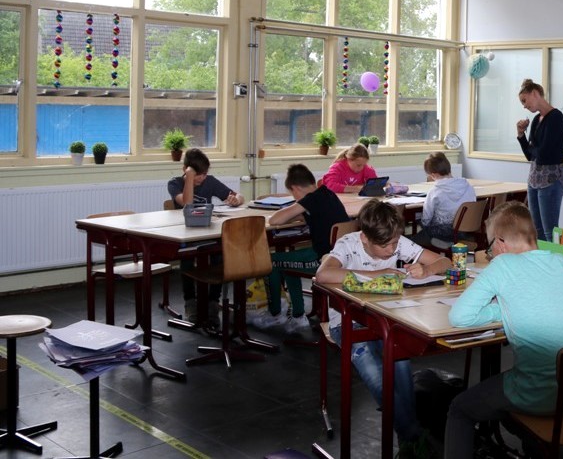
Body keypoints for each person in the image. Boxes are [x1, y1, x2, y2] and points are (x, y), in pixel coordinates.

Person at [444, 201, 563, 459]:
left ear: (500, 243)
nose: (491, 253)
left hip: (536, 392)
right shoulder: (561, 262)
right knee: (507, 406)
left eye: (490, 247)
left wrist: (500, 309)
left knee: (460, 409)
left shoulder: (503, 266)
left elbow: (459, 317)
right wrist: (509, 307)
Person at [316, 199, 451, 452]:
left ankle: (410, 440)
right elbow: (323, 274)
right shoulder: (348, 244)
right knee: (376, 376)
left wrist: (426, 270)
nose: (392, 250)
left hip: (386, 321)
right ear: (365, 238)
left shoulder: (396, 241)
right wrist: (377, 274)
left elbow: (446, 262)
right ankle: (413, 436)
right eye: (385, 246)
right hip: (347, 323)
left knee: (401, 363)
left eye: (395, 244)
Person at [249, 164, 350, 334]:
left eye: (292, 193)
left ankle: (276, 314)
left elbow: (274, 220)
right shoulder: (327, 193)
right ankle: (297, 315)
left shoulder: (310, 199)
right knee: (289, 262)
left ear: (295, 188)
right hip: (337, 257)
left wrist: (294, 208)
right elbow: (305, 216)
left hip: (322, 261)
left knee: (271, 262)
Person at [167, 148, 245, 325]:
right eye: (198, 175)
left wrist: (236, 200)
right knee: (187, 260)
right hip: (186, 236)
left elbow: (238, 195)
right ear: (186, 170)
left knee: (219, 255)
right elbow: (187, 204)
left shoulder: (210, 181)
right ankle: (190, 302)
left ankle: (213, 302)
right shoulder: (175, 184)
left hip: (207, 233)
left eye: (204, 174)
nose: (202, 178)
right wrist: (189, 178)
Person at [516, 78, 563, 242]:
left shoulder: (556, 117)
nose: (524, 106)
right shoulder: (536, 120)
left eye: (524, 100)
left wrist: (534, 148)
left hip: (550, 182)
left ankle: (557, 258)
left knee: (551, 232)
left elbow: (544, 154)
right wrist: (521, 135)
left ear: (535, 94)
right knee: (536, 231)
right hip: (534, 180)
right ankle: (539, 258)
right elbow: (530, 155)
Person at [409, 152, 476, 247]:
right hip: (465, 231)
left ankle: (416, 247)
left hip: (443, 233)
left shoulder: (435, 191)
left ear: (433, 174)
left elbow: (426, 219)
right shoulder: (468, 186)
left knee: (413, 237)